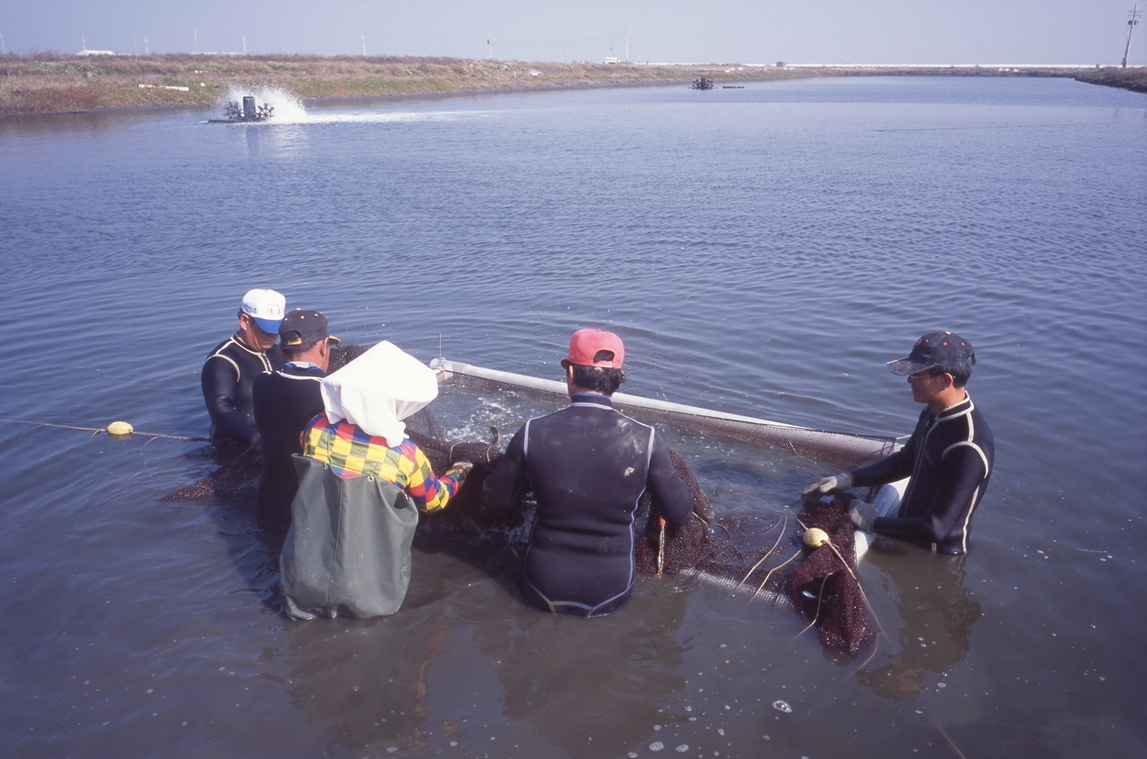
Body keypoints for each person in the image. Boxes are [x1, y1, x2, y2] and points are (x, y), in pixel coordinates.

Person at [482, 328, 694, 617]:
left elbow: (495, 503)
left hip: (541, 584)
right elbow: (680, 512)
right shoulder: (645, 439)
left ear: (570, 373)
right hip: (613, 591)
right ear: (619, 380)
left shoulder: (533, 431)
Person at [279, 341, 472, 619]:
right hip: (370, 593)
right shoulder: (405, 454)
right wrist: (460, 470)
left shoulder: (316, 428)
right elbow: (435, 501)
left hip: (302, 582)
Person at [802, 331, 994, 556]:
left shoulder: (967, 446)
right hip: (905, 534)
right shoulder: (933, 411)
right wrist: (847, 479)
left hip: (933, 556)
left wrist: (872, 521)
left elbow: (936, 528)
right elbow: (905, 461)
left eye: (917, 374)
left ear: (945, 380)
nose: (909, 380)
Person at [252, 309, 338, 534]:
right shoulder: (332, 392)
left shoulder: (261, 383)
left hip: (269, 507)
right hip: (311, 513)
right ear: (323, 346)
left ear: (280, 349)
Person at [201, 288, 286, 446]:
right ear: (244, 321)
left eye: (277, 328)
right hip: (237, 445)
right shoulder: (222, 360)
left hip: (275, 440)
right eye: (266, 328)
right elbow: (220, 409)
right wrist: (255, 440)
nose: (273, 335)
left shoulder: (278, 351)